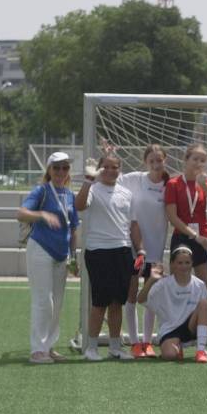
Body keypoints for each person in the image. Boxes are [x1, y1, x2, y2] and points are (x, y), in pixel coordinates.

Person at [75, 152, 145, 362]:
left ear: (120, 169)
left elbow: (133, 225)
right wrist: (88, 181)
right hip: (98, 252)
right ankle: (91, 348)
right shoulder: (92, 189)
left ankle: (115, 347)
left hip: (122, 251)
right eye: (106, 167)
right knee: (99, 303)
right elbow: (79, 206)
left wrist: (140, 249)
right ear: (99, 169)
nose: (111, 171)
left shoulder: (126, 193)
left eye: (115, 167)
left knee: (117, 303)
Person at [17, 152, 79, 364]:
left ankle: (48, 346)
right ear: (49, 170)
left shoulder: (70, 195)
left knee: (58, 302)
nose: (61, 172)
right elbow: (21, 213)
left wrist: (74, 257)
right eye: (56, 168)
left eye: (65, 168)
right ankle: (37, 349)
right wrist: (41, 215)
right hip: (40, 249)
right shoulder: (41, 190)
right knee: (43, 300)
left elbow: (74, 227)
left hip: (61, 254)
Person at [119, 144, 171, 358]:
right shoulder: (135, 179)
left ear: (165, 160)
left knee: (151, 297)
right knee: (131, 296)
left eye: (159, 160)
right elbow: (111, 178)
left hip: (156, 251)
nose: (156, 164)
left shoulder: (170, 185)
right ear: (145, 162)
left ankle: (148, 342)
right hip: (134, 249)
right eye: (152, 160)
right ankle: (134, 342)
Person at [138, 246, 207, 363]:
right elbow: (141, 300)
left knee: (204, 303)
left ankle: (201, 351)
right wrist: (152, 280)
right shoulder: (163, 284)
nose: (184, 266)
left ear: (192, 263)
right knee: (169, 355)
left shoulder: (199, 285)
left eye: (187, 262)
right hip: (170, 330)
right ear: (172, 264)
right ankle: (177, 348)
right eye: (180, 263)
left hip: (191, 326)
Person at [164, 143, 207, 294]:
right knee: (178, 284)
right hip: (182, 236)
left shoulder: (205, 182)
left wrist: (204, 186)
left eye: (203, 160)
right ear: (186, 160)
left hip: (204, 237)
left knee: (206, 286)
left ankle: (201, 317)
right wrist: (195, 236)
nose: (199, 163)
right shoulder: (173, 184)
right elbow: (172, 217)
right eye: (195, 159)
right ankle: (179, 317)